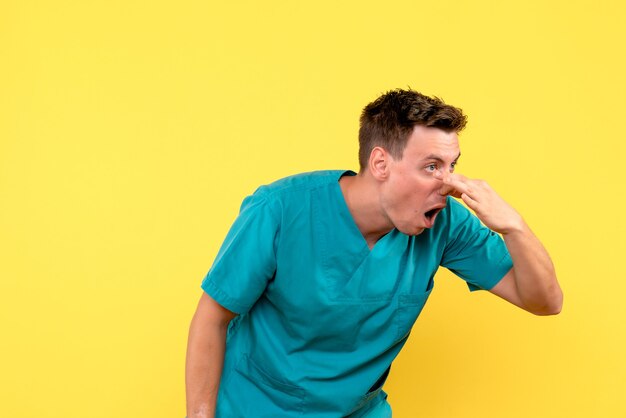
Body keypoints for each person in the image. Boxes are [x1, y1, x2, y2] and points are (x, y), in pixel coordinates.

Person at [185, 89, 563, 418]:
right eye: (432, 167)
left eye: (452, 167)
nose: (449, 185)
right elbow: (212, 317)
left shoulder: (446, 224)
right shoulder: (281, 209)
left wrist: (514, 225)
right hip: (260, 407)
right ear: (381, 163)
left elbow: (545, 301)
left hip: (357, 411)